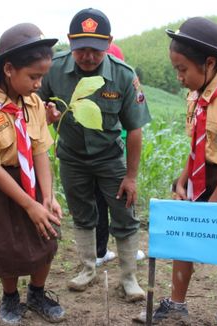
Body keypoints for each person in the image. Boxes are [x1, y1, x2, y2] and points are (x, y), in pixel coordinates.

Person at [135, 17, 217, 326]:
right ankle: (176, 303)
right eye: (176, 69)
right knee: (184, 240)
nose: (179, 77)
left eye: (183, 70)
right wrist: (182, 181)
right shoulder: (194, 97)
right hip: (199, 177)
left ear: (209, 63)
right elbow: (197, 147)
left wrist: (213, 206)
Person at [39, 8, 151, 302]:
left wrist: (131, 176)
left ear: (109, 42)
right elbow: (34, 108)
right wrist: (47, 115)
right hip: (72, 157)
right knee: (82, 212)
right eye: (81, 49)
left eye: (96, 50)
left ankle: (129, 279)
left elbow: (135, 129)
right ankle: (87, 268)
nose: (88, 56)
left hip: (110, 158)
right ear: (70, 42)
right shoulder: (53, 70)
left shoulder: (123, 76)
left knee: (124, 214)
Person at [0, 23, 65, 324]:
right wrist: (28, 205)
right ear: (9, 69)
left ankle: (36, 292)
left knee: (47, 234)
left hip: (30, 176)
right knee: (5, 244)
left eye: (42, 77)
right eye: (33, 76)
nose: (38, 84)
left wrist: (47, 197)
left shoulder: (33, 103)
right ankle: (9, 298)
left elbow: (40, 149)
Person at [95, 42, 146, 267]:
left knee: (99, 203)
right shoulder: (124, 81)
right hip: (118, 153)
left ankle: (100, 252)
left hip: (101, 154)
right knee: (122, 202)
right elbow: (135, 126)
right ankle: (126, 252)